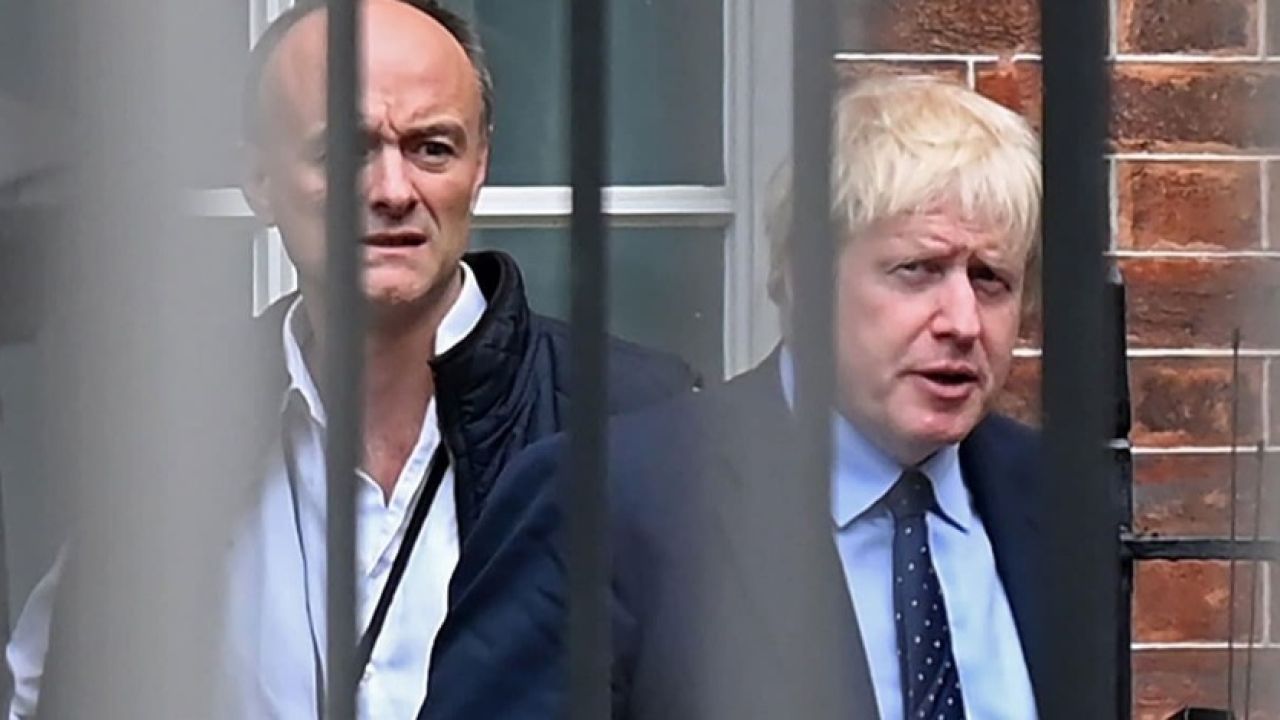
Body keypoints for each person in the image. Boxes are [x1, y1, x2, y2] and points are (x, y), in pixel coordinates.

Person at [5, 2, 696, 718]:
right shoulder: (171, 436)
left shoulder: (633, 420)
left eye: (432, 148)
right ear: (259, 179)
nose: (393, 191)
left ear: (481, 165)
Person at [439, 74, 1047, 718]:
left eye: (990, 280)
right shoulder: (606, 504)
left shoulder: (1055, 502)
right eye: (917, 271)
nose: (962, 322)